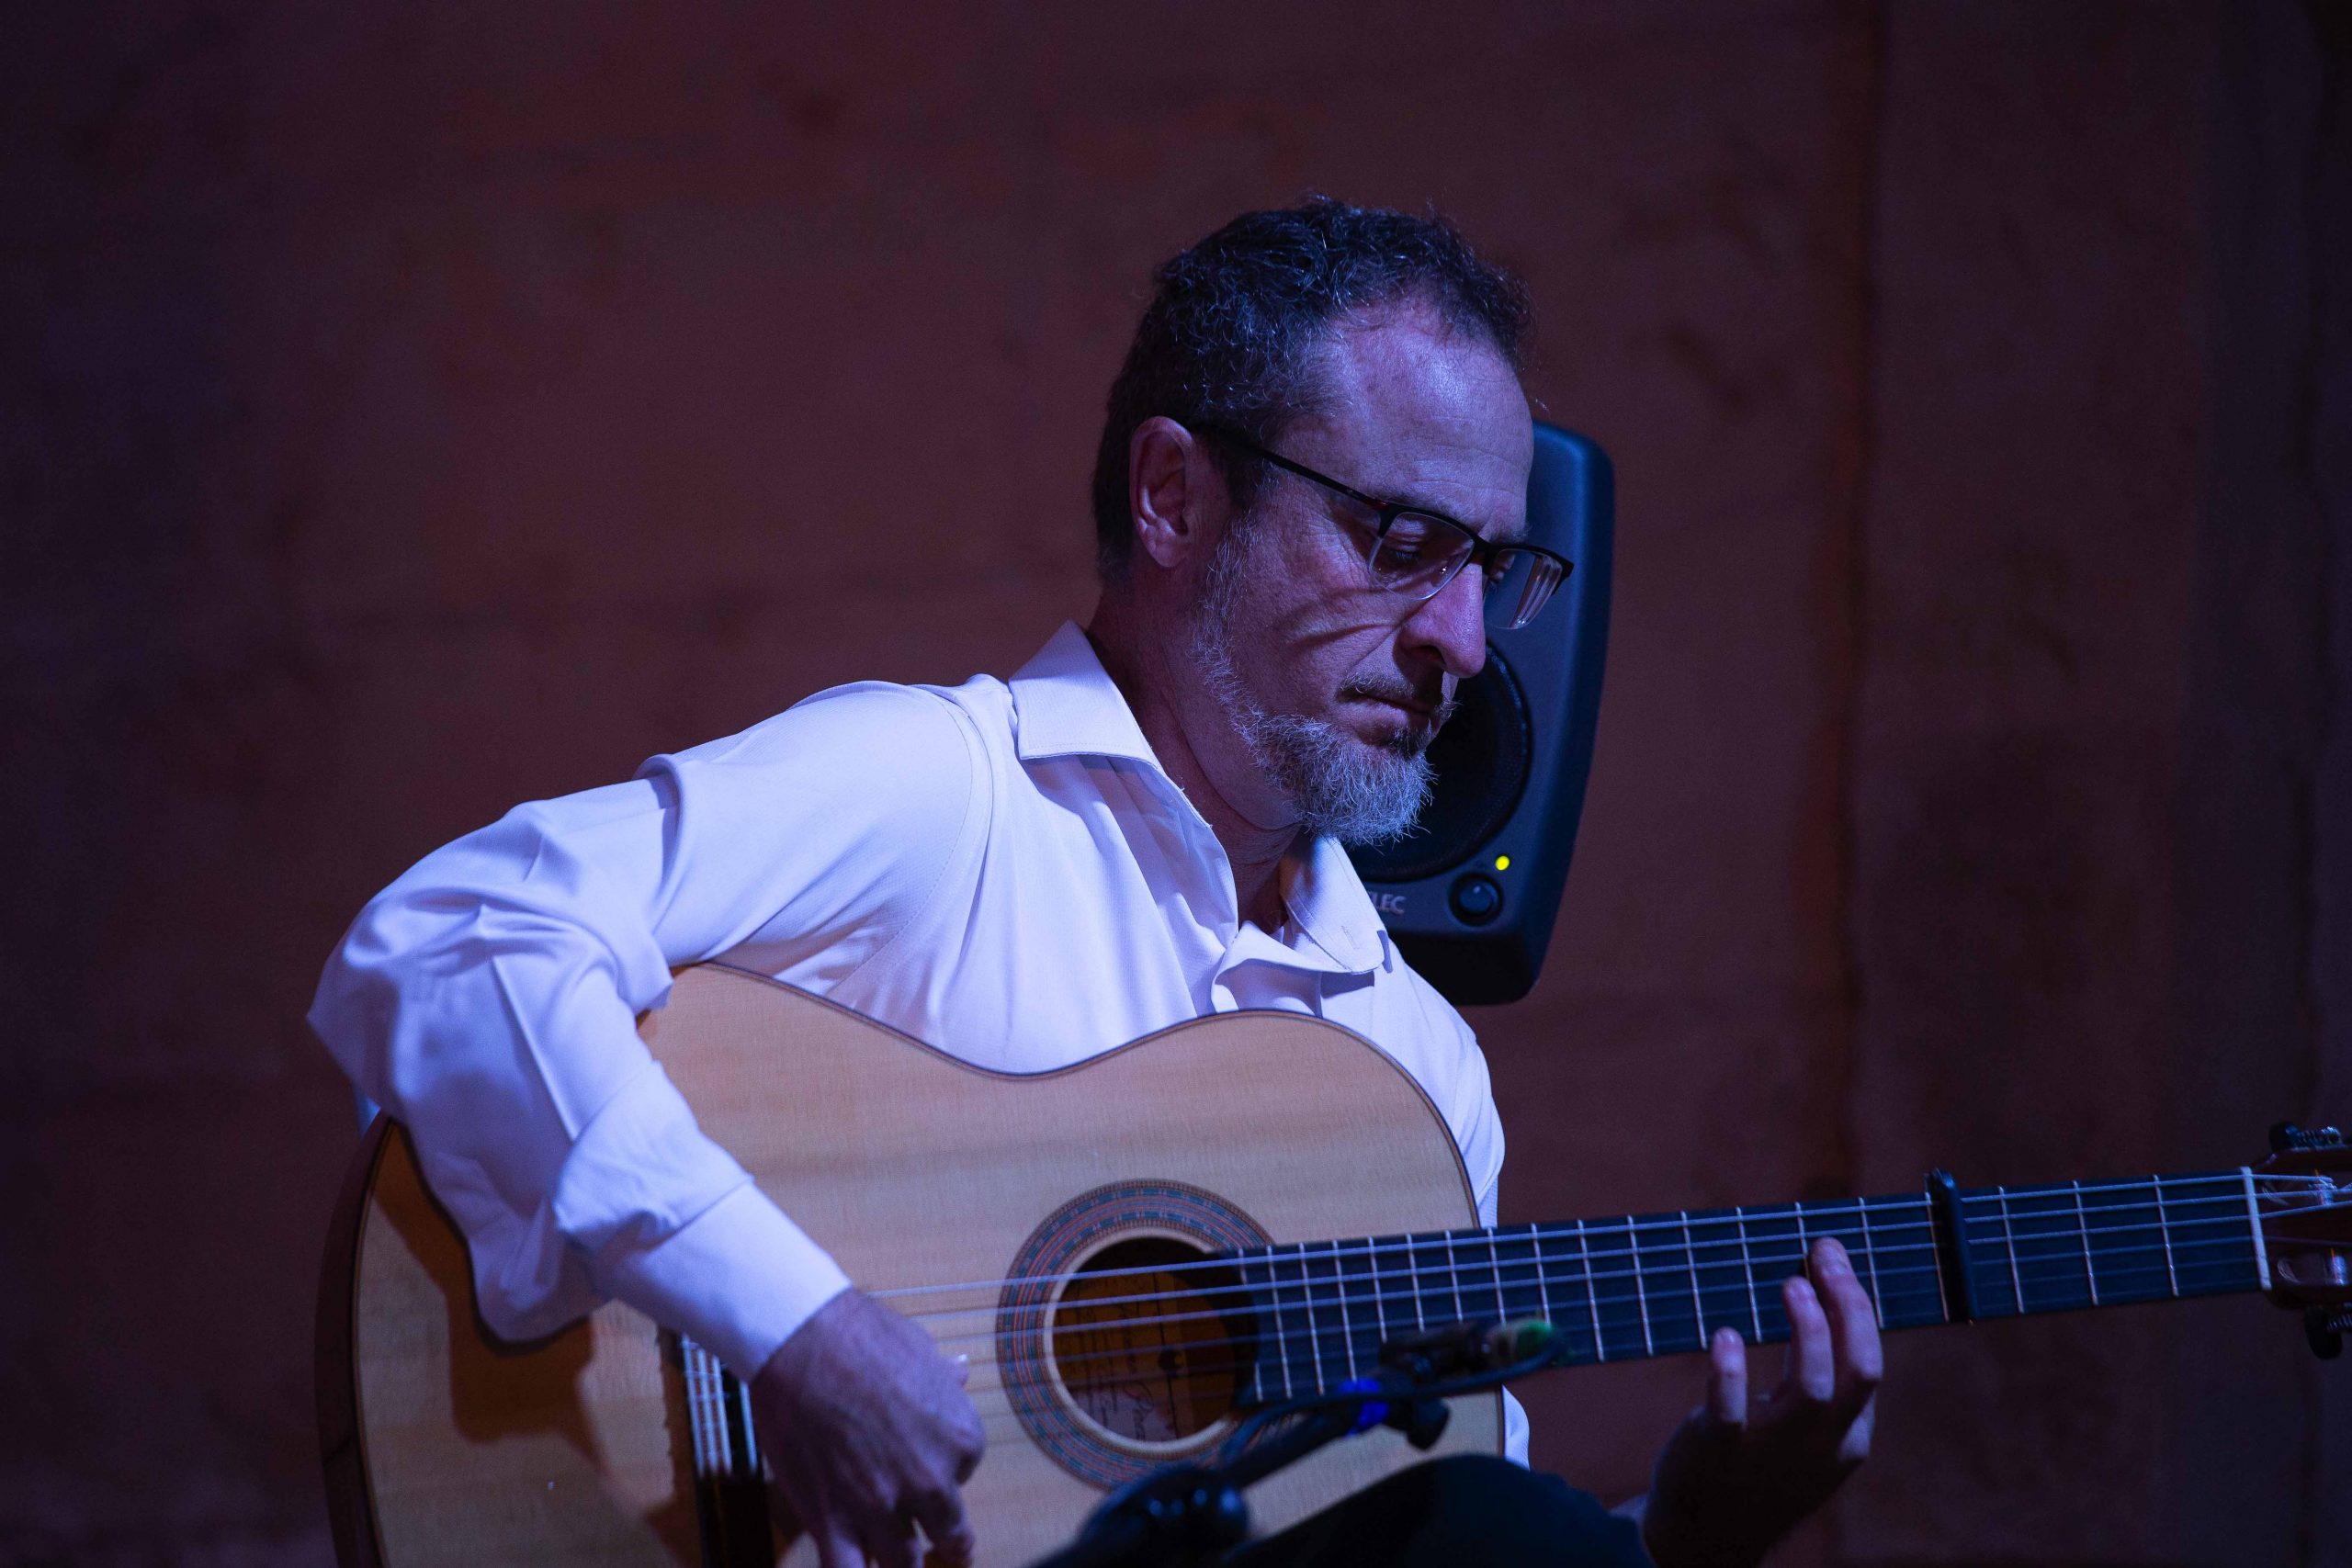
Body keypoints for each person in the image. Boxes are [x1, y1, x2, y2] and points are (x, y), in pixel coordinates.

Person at [310, 199, 1880, 1568]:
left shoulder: (1417, 1066)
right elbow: (451, 936)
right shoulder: (944, 792)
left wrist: (1687, 1540)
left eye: (1494, 568)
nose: (1463, 645)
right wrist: (788, 1321)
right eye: (1402, 541)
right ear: (1175, 497)